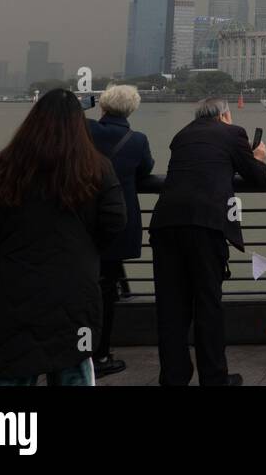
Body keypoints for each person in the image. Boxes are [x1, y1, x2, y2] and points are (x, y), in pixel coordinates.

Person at [0, 89, 126, 386]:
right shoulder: (97, 168)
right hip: (75, 288)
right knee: (74, 366)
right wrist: (86, 250)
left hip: (16, 288)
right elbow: (116, 221)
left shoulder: (5, 169)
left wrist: (1, 248)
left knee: (15, 368)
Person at [149, 97, 266, 386]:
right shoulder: (233, 133)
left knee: (170, 307)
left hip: (165, 224)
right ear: (225, 115)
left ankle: (174, 377)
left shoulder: (181, 136)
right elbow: (257, 177)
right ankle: (214, 378)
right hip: (205, 226)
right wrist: (258, 157)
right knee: (208, 304)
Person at [85, 84, 155, 378]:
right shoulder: (137, 140)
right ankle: (99, 354)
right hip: (117, 221)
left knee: (76, 286)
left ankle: (73, 350)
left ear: (102, 106)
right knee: (106, 289)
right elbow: (146, 170)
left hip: (80, 219)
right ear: (132, 110)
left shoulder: (86, 130)